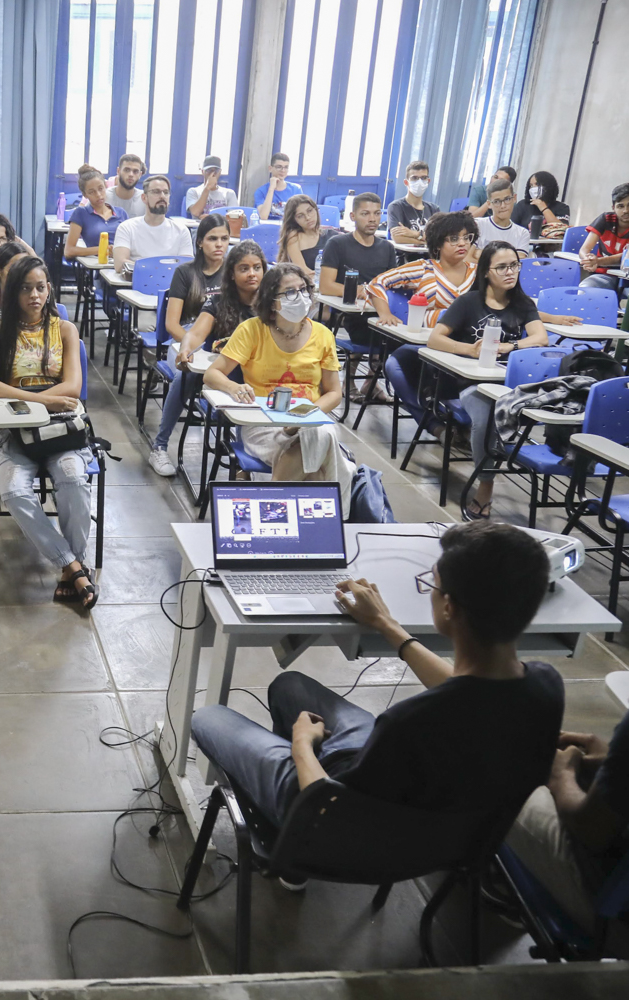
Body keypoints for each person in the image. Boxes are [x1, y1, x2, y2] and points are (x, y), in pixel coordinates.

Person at [190, 521, 563, 869]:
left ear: (448, 606)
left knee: (207, 717)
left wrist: (302, 745)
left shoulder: (410, 722)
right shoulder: (545, 688)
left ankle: (280, 824)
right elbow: (466, 690)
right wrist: (386, 625)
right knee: (292, 687)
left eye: (431, 584)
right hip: (451, 842)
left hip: (330, 822)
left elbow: (328, 808)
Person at [0, 255, 97, 608]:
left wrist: (26, 399)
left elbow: (72, 387)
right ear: (12, 293)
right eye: (26, 288)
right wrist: (39, 399)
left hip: (61, 434)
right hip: (15, 435)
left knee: (74, 480)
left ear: (49, 290)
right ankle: (73, 566)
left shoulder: (65, 329)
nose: (34, 296)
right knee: (13, 491)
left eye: (41, 287)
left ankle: (67, 572)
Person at [204, 264, 349, 499]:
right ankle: (329, 517)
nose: (300, 297)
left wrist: (305, 416)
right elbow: (212, 374)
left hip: (310, 416)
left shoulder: (323, 334)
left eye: (303, 289)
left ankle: (272, 507)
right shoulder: (252, 330)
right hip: (263, 421)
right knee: (317, 463)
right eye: (290, 292)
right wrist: (234, 386)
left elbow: (334, 393)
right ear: (272, 302)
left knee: (315, 436)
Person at [430, 241, 550, 521]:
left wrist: (511, 347)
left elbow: (540, 338)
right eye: (502, 267)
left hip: (509, 383)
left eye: (515, 266)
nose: (510, 272)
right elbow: (436, 338)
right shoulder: (468, 302)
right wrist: (469, 349)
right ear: (486, 271)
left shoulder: (521, 303)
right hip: (470, 383)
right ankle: (486, 484)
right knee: (486, 416)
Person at [507, 707, 629, 955]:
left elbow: (591, 829)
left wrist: (561, 776)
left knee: (507, 763)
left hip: (615, 916)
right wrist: (615, 763)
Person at [146, 216, 232, 476]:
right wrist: (190, 345)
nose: (219, 245)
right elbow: (172, 323)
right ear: (199, 242)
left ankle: (237, 443)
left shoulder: (234, 271)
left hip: (222, 345)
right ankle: (159, 447)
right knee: (187, 376)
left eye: (224, 239)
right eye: (212, 239)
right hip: (185, 340)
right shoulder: (185, 273)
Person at [320, 192, 397, 400]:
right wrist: (360, 291)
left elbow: (393, 284)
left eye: (376, 213)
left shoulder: (387, 248)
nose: (372, 219)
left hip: (378, 309)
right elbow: (326, 285)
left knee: (396, 336)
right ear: (353, 216)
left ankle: (371, 383)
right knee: (367, 333)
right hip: (349, 312)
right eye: (365, 213)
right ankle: (348, 382)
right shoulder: (337, 244)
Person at [368, 210, 478, 328]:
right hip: (426, 338)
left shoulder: (478, 272)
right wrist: (385, 314)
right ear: (437, 244)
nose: (462, 243)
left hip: (468, 336)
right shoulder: (423, 268)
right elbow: (377, 282)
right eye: (454, 239)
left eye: (466, 238)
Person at [112, 175, 193, 271]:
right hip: (135, 284)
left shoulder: (181, 230)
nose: (162, 196)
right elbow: (120, 264)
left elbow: (187, 268)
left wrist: (144, 267)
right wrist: (158, 271)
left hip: (171, 285)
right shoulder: (127, 227)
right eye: (156, 192)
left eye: (166, 192)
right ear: (144, 198)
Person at [65, 170, 128, 262]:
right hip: (99, 266)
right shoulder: (81, 213)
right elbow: (69, 251)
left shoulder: (121, 212)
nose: (98, 195)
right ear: (85, 195)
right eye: (91, 192)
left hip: (123, 263)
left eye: (101, 189)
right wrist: (103, 249)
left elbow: (132, 243)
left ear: (106, 187)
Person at [578, 182, 629, 291]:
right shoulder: (605, 219)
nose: (626, 211)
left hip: (627, 278)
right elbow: (584, 249)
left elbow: (624, 257)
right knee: (585, 289)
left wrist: (598, 261)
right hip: (605, 275)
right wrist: (587, 259)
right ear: (613, 208)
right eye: (621, 206)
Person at [275, 194, 333, 279]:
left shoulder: (331, 234)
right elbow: (303, 271)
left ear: (316, 210)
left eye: (310, 211)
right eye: (300, 216)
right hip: (305, 283)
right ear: (294, 219)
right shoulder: (293, 236)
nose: (308, 217)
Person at [387, 161, 441, 245]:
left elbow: (439, 238)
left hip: (430, 257)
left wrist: (413, 233)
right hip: (405, 256)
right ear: (406, 182)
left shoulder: (434, 209)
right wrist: (424, 240)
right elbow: (397, 237)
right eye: (414, 178)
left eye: (423, 178)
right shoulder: (396, 206)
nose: (419, 182)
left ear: (428, 181)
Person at [476, 178, 532, 254]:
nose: (503, 206)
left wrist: (484, 254)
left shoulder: (522, 233)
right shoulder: (478, 225)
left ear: (514, 198)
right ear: (489, 204)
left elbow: (520, 259)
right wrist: (510, 256)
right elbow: (468, 256)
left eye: (507, 199)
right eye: (496, 201)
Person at [254, 152, 302, 220]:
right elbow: (263, 216)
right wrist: (271, 189)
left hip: (289, 227)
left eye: (286, 167)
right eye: (279, 167)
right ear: (270, 168)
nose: (283, 170)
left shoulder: (296, 189)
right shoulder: (261, 191)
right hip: (268, 227)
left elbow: (301, 215)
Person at [104, 153, 146, 218]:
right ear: (118, 171)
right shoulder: (103, 196)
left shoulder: (145, 199)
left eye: (135, 171)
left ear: (140, 174)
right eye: (127, 170)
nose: (131, 174)